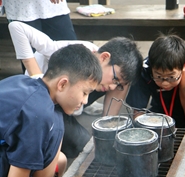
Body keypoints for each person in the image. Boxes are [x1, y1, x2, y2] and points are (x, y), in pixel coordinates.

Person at [0, 44, 102, 177]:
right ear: (62, 84)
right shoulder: (41, 113)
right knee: (51, 141)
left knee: (60, 158)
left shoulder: (25, 82)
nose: (85, 101)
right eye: (85, 92)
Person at [8, 21, 143, 158]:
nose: (113, 86)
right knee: (82, 146)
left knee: (123, 81)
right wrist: (37, 77)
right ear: (103, 57)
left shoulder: (107, 76)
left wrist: (107, 133)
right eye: (115, 79)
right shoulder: (74, 53)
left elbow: (118, 82)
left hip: (67, 103)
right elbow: (17, 27)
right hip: (42, 103)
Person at [123, 33, 185, 141]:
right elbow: (138, 112)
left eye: (171, 77)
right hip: (163, 112)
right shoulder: (144, 70)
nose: (165, 83)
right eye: (159, 76)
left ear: (184, 65)